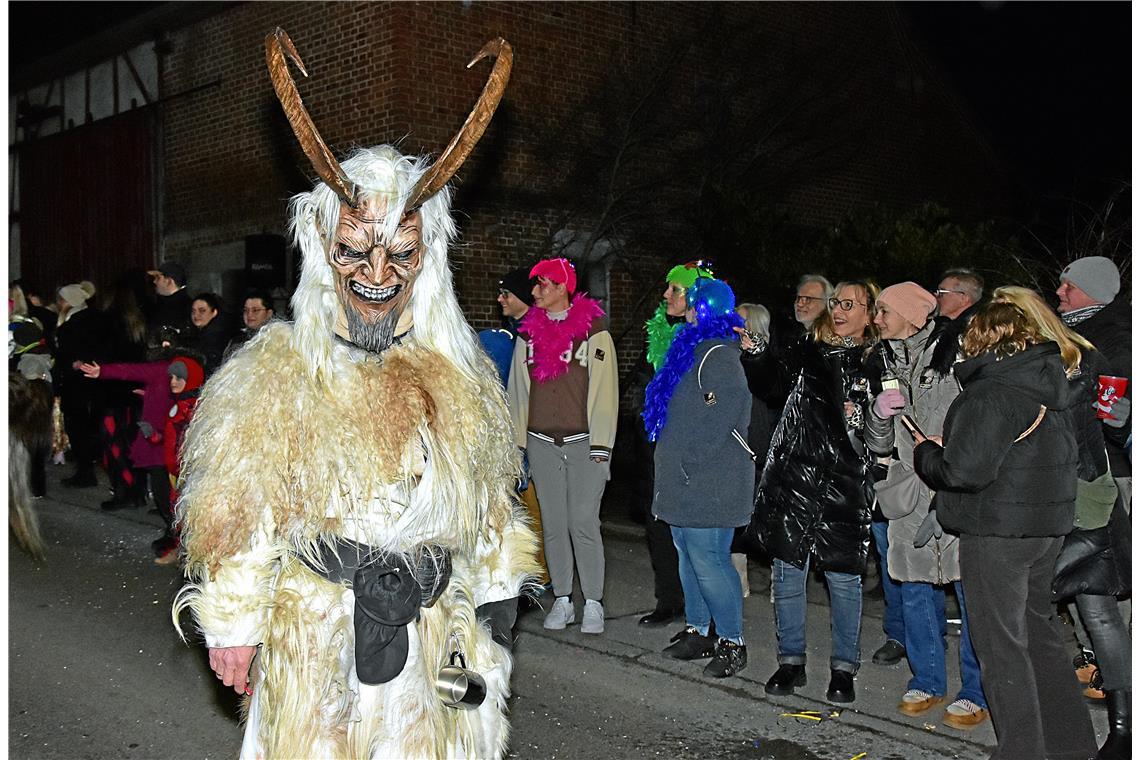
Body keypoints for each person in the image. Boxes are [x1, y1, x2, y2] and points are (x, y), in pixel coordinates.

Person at [173, 30, 538, 759]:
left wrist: (496, 601)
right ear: (322, 253)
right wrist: (236, 627)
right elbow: (241, 513)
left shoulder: (460, 375)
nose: (377, 271)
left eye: (401, 252)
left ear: (426, 258)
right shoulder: (275, 373)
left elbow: (487, 501)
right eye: (352, 249)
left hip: (433, 637)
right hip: (317, 636)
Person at [912, 293, 1098, 760]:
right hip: (1042, 530)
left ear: (983, 338)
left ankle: (1021, 751)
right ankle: (1071, 746)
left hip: (997, 534)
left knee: (1002, 650)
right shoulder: (1048, 383)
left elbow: (964, 473)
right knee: (1040, 641)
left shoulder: (993, 392)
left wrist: (926, 453)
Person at [864, 282, 988, 729]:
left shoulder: (955, 353)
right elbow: (877, 444)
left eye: (883, 311)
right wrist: (878, 415)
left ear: (913, 315)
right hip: (909, 491)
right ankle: (928, 680)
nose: (875, 319)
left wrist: (950, 443)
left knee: (970, 592)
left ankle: (976, 689)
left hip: (955, 486)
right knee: (915, 590)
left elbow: (981, 417)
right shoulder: (880, 361)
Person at [753, 280, 877, 704]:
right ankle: (791, 662)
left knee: (844, 579)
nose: (838, 310)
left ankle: (844, 668)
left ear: (869, 312)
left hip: (844, 484)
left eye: (849, 303)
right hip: (796, 478)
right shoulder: (807, 352)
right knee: (788, 574)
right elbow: (770, 384)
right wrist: (755, 352)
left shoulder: (878, 361)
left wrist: (861, 417)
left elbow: (884, 432)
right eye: (836, 302)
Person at [644, 277, 752, 678]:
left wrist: (692, 460)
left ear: (700, 306)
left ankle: (731, 640)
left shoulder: (719, 355)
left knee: (709, 558)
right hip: (684, 480)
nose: (673, 299)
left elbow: (724, 414)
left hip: (710, 481)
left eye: (682, 296)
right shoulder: (690, 350)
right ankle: (699, 629)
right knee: (688, 556)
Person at [507, 256, 619, 635]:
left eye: (541, 284)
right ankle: (563, 599)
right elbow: (518, 393)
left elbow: (606, 393)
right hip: (541, 442)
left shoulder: (593, 331)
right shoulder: (527, 334)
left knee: (583, 522)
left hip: (584, 442)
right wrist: (517, 446)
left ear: (561, 288)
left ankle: (593, 602)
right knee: (553, 524)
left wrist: (602, 446)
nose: (534, 291)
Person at [637, 261, 713, 626]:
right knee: (659, 524)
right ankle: (669, 600)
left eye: (676, 290)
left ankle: (707, 615)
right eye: (668, 288)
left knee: (696, 533)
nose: (666, 295)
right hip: (660, 444)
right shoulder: (660, 332)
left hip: (696, 450)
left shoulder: (711, 338)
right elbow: (645, 386)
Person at [477, 268, 549, 587]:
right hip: (508, 434)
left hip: (534, 434)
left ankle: (545, 574)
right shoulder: (508, 334)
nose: (499, 299)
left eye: (506, 294)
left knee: (537, 508)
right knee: (516, 509)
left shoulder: (540, 334)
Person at [53, 283, 107, 488]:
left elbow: (64, 358)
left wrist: (71, 366)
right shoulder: (100, 319)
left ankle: (85, 472)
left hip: (76, 385)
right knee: (93, 426)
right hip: (97, 381)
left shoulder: (70, 326)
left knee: (78, 428)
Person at [154, 354, 206, 565]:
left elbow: (189, 441)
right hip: (175, 470)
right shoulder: (180, 404)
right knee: (178, 512)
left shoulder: (191, 407)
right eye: (172, 377)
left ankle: (190, 555)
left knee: (187, 513)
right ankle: (181, 551)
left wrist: (183, 467)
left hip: (185, 471)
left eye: (180, 378)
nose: (173, 381)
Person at [188, 293, 232, 375]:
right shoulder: (194, 334)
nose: (196, 315)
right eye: (193, 311)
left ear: (214, 312)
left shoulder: (217, 338)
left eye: (202, 311)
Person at [224, 291, 276, 360]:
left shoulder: (276, 339)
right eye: (246, 310)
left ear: (269, 313)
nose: (249, 314)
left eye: (255, 310)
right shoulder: (237, 340)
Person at [149, 262, 192, 340]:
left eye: (158, 278)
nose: (154, 281)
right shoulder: (161, 304)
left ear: (169, 281)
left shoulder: (186, 308)